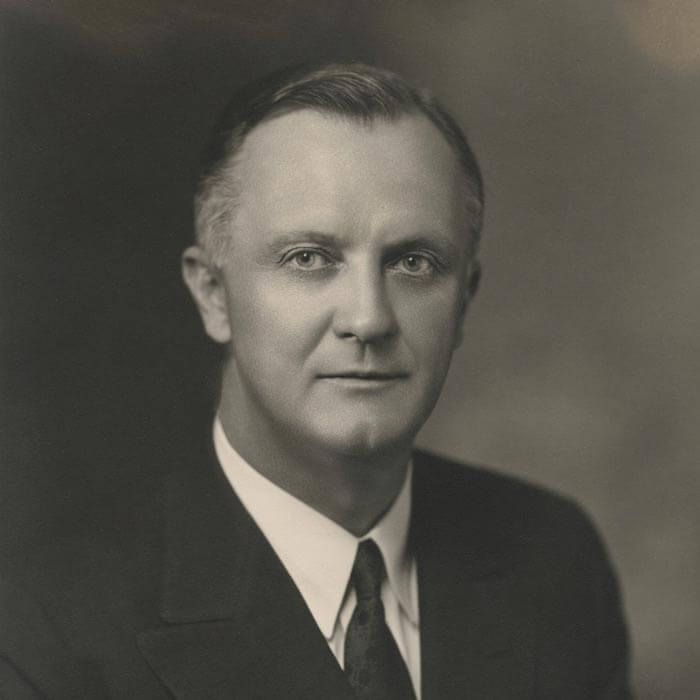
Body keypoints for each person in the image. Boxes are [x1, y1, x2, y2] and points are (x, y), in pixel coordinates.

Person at [0, 63, 631, 699]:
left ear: (464, 300)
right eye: (308, 258)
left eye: (413, 263)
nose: (368, 318)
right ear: (213, 294)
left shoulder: (553, 560)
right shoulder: (45, 622)